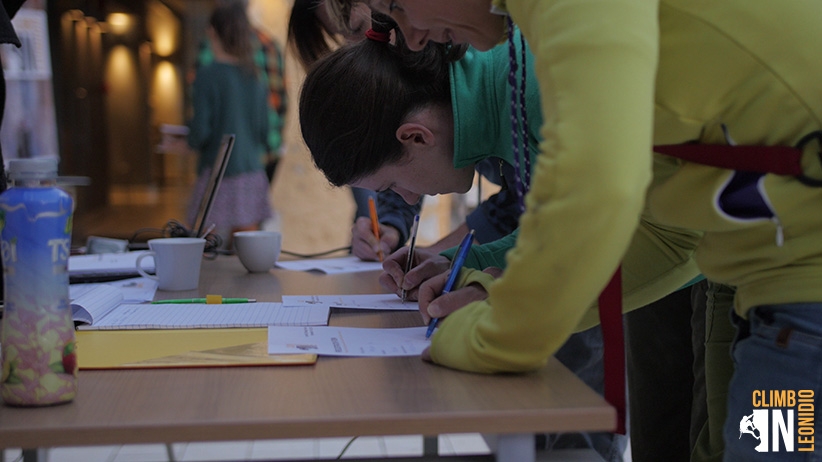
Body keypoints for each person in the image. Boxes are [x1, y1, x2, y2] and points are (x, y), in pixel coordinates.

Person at [326, 1, 822, 461]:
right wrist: (495, 287)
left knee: (770, 443)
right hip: (769, 284)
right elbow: (665, 231)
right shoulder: (539, 33)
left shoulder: (566, 15)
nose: (409, 39)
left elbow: (599, 194)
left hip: (800, 284)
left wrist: (496, 333)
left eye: (398, 7)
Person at [184, 2, 272, 246]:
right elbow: (265, 132)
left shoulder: (207, 75)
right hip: (252, 172)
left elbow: (200, 132)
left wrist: (186, 140)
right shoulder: (255, 76)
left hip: (217, 173)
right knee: (247, 253)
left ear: (212, 31)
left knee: (200, 248)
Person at [193, 0, 287, 185]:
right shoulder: (269, 47)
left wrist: (190, 139)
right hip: (257, 162)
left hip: (217, 168)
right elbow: (280, 107)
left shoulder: (208, 54)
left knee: (208, 213)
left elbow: (201, 124)